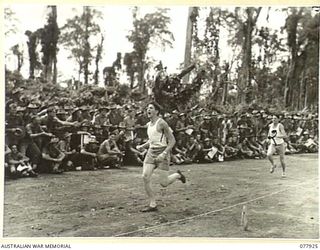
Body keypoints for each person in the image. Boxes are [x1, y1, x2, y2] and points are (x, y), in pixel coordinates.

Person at [136, 102, 186, 212]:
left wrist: (163, 154)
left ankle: (178, 175)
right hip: (151, 152)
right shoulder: (149, 124)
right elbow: (152, 139)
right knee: (145, 176)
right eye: (147, 108)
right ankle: (152, 204)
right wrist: (142, 146)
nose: (148, 110)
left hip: (163, 152)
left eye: (151, 108)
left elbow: (172, 141)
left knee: (164, 183)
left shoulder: (162, 123)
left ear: (157, 111)